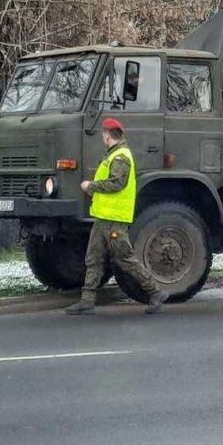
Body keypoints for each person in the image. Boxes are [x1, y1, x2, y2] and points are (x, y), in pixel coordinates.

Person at [65, 118, 169, 315]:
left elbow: (116, 184)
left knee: (124, 259)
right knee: (93, 258)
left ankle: (155, 292)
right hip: (104, 217)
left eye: (103, 134)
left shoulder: (121, 157)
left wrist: (91, 186)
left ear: (107, 135)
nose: (102, 136)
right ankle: (87, 301)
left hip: (114, 219)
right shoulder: (114, 155)